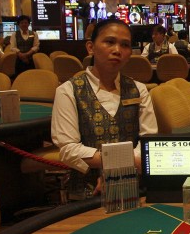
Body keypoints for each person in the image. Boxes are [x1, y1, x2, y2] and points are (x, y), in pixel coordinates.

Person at [51, 19, 158, 190]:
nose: (117, 50)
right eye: (109, 42)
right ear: (90, 47)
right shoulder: (68, 91)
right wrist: (121, 164)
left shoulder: (139, 90)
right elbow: (68, 150)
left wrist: (122, 170)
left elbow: (148, 139)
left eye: (125, 45)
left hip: (135, 185)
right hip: (89, 188)